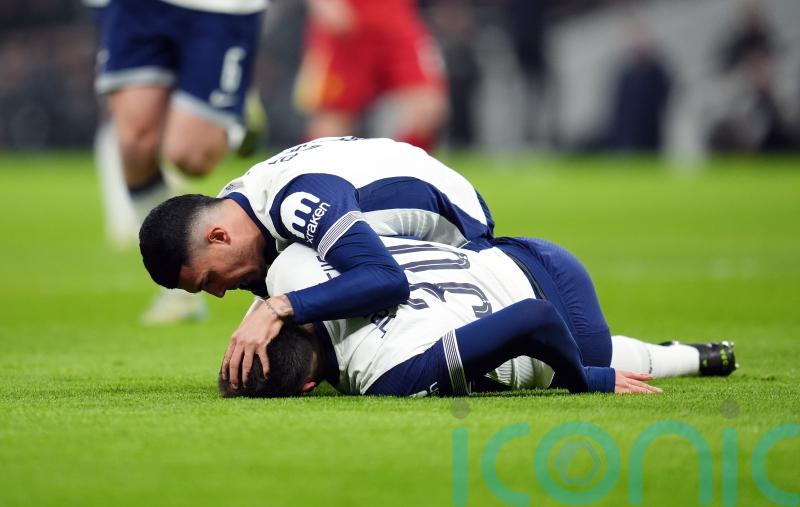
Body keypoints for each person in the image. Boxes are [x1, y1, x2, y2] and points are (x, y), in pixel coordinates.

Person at [139, 136, 495, 389]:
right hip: (396, 225)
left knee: (380, 342)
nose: (218, 293)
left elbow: (386, 279)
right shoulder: (235, 212)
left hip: (464, 235)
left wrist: (277, 307)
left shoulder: (298, 202)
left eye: (209, 279)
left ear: (219, 236)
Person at [218, 236, 737, 398]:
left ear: (309, 388)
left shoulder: (388, 374)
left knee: (575, 365)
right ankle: (701, 356)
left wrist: (587, 380)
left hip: (564, 309)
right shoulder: (291, 265)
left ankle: (675, 357)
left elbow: (536, 321)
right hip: (512, 249)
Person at [93, 0, 268, 324]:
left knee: (190, 159)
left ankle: (234, 112)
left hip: (217, 9)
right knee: (133, 143)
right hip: (135, 9)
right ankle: (176, 289)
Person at [293, 0, 448, 152]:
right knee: (333, 119)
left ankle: (405, 173)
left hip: (396, 23)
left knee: (427, 109)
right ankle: (317, 172)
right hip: (347, 26)